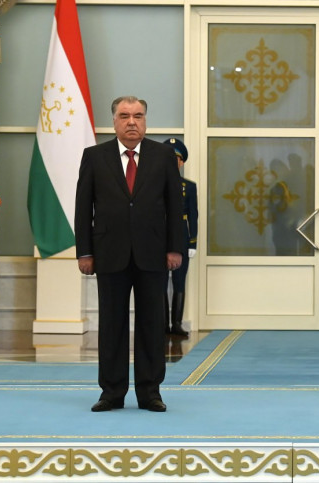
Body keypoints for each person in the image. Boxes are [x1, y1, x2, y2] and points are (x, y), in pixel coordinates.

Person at [75, 96, 184, 413]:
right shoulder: (95, 157)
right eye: (124, 116)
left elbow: (174, 207)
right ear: (114, 122)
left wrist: (175, 247)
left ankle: (150, 393)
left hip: (153, 254)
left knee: (152, 324)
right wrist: (85, 251)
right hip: (109, 253)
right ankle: (112, 393)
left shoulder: (163, 156)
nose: (132, 122)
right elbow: (83, 208)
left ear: (146, 120)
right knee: (112, 325)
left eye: (138, 115)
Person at [162, 138, 198, 337]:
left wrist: (193, 242)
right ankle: (162, 324)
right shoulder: (153, 184)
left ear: (181, 162)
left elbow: (193, 215)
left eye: (175, 159)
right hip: (159, 236)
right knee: (159, 282)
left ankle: (176, 323)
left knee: (179, 280)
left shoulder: (189, 187)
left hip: (181, 236)